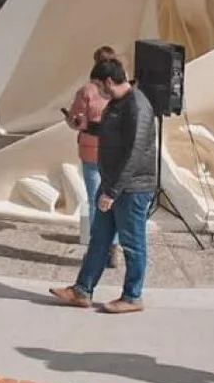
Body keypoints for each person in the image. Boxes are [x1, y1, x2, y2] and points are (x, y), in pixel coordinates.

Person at [50, 57, 156, 313]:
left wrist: (112, 190)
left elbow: (135, 152)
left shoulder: (137, 106)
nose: (97, 91)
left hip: (131, 188)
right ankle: (82, 290)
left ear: (109, 81)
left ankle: (132, 296)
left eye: (98, 86)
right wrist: (86, 127)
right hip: (111, 182)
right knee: (99, 238)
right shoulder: (117, 103)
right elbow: (112, 134)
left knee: (132, 242)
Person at [64, 46, 122, 267]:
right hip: (114, 152)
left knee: (94, 201)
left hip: (91, 150)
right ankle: (113, 246)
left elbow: (74, 119)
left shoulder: (87, 91)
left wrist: (75, 122)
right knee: (112, 199)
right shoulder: (120, 89)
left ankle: (98, 247)